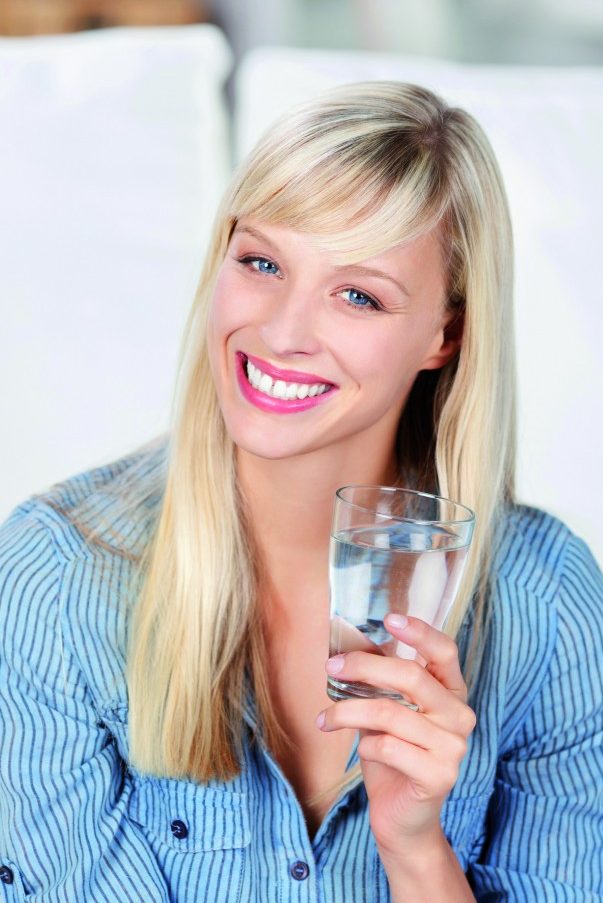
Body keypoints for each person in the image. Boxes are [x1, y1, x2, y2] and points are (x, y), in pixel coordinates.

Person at [0, 82, 601, 903]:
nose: (282, 332)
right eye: (261, 262)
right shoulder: (57, 576)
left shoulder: (550, 604)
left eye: (358, 294)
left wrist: (417, 849)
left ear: (445, 333)